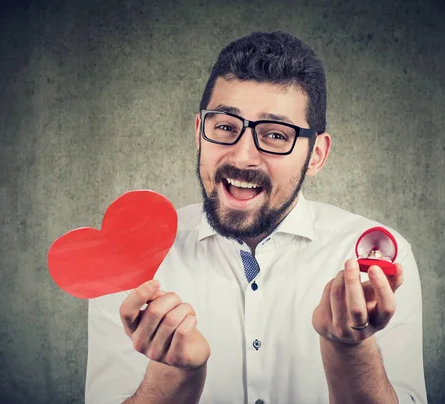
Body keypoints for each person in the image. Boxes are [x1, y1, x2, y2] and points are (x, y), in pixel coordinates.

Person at [85, 31, 427, 404]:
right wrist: (174, 373)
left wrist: (349, 349)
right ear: (200, 132)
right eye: (226, 127)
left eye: (276, 135)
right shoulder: (129, 259)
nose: (243, 156)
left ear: (316, 155)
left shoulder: (380, 260)